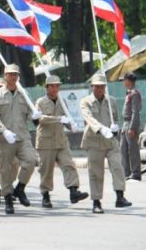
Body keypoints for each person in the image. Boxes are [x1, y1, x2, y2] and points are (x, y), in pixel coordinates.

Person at [0, 64, 39, 214]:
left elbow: (30, 114)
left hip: (22, 136)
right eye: (10, 74)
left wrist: (36, 116)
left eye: (15, 74)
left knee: (31, 161)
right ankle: (8, 199)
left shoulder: (24, 94)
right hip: (5, 138)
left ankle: (20, 188)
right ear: (5, 76)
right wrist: (3, 131)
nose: (13, 77)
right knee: (5, 170)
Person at [80, 74, 132, 213]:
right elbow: (88, 118)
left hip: (110, 141)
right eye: (96, 86)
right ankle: (96, 202)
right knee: (96, 172)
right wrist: (101, 128)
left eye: (102, 86)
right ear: (92, 87)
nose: (99, 89)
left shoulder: (111, 101)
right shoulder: (86, 102)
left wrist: (115, 128)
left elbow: (115, 118)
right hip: (94, 140)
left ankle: (120, 197)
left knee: (118, 166)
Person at [35, 75, 88, 208]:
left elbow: (67, 118)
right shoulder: (40, 102)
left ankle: (73, 191)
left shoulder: (62, 101)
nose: (55, 88)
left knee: (68, 164)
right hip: (45, 141)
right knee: (46, 170)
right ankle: (46, 196)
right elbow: (40, 119)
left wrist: (72, 125)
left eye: (57, 85)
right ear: (47, 88)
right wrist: (59, 119)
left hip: (61, 140)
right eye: (52, 86)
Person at [120, 72, 142, 181]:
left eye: (124, 80)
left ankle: (136, 173)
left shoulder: (134, 94)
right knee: (123, 149)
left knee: (133, 150)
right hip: (125, 124)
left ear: (129, 81)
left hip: (130, 123)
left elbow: (135, 112)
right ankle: (126, 173)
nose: (124, 82)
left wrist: (132, 127)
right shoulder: (128, 93)